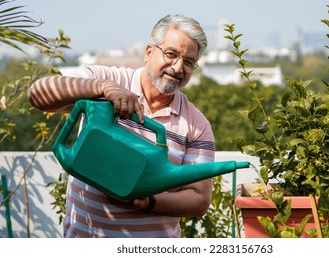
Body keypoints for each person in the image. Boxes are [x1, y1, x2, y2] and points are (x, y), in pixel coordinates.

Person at [27, 14, 214, 238]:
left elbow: (199, 199)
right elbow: (37, 93)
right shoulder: (106, 80)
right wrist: (104, 88)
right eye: (171, 54)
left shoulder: (196, 124)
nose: (177, 67)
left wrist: (147, 202)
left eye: (189, 62)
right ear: (148, 52)